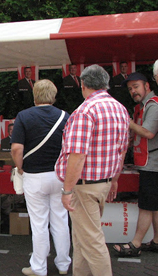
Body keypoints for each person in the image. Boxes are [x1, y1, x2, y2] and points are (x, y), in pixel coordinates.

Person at [55, 64, 130, 276]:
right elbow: (121, 150)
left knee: (92, 241)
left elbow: (77, 156)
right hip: (103, 183)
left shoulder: (85, 110)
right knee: (82, 240)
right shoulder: (120, 109)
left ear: (83, 84)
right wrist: (114, 180)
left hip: (85, 187)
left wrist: (67, 190)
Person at [12, 79, 71, 276]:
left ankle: (39, 267)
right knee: (61, 221)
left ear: (35, 95)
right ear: (53, 95)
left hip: (34, 176)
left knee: (39, 224)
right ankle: (63, 265)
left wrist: (20, 168)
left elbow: (16, 149)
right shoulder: (65, 116)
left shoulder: (23, 116)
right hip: (60, 176)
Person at [113, 70, 158, 257]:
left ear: (147, 85)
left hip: (153, 163)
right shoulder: (143, 105)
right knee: (154, 205)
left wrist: (128, 122)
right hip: (149, 162)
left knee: (147, 205)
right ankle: (156, 241)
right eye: (131, 89)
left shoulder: (153, 106)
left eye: (136, 87)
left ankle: (136, 244)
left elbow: (148, 133)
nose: (133, 91)